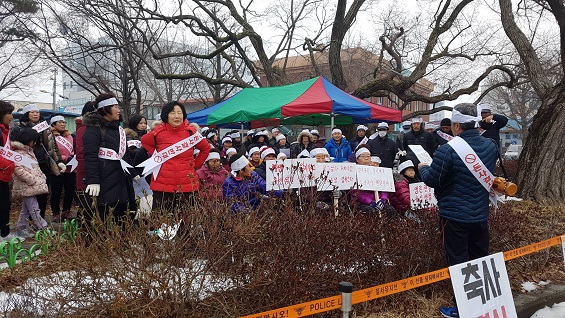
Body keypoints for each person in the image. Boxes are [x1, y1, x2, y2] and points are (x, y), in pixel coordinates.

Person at [418, 103, 498, 318]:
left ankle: (462, 308)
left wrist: (423, 168)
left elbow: (433, 180)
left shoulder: (448, 150)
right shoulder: (491, 145)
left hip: (454, 215)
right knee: (480, 257)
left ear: (456, 125)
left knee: (459, 262)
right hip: (480, 213)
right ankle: (484, 303)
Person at [141, 101, 211, 212]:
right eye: (173, 113)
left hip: (187, 184)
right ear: (166, 115)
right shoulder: (158, 132)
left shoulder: (191, 133)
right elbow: (144, 141)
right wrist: (158, 156)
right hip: (162, 185)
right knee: (162, 222)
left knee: (186, 222)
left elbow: (206, 148)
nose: (177, 116)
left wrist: (195, 165)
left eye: (180, 113)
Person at [83, 94, 135, 226]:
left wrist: (133, 173)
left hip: (121, 179)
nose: (119, 110)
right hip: (104, 180)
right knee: (104, 219)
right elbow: (90, 157)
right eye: (115, 107)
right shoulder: (93, 130)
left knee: (122, 217)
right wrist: (93, 180)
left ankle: (121, 244)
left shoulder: (119, 130)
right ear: (105, 109)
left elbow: (125, 154)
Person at [10, 104, 64, 219]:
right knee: (30, 196)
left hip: (43, 164)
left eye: (37, 112)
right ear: (26, 114)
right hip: (26, 165)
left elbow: (53, 146)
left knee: (42, 194)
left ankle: (40, 219)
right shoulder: (18, 129)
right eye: (32, 112)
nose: (35, 114)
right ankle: (30, 221)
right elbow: (12, 148)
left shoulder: (45, 128)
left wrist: (58, 161)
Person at [11, 128, 50, 238]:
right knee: (34, 209)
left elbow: (35, 167)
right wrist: (32, 180)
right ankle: (43, 227)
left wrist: (42, 177)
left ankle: (21, 228)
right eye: (34, 140)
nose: (35, 143)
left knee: (26, 209)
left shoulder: (29, 152)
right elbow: (18, 170)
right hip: (27, 185)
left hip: (31, 186)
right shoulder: (18, 153)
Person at [49, 115, 77, 221]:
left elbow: (74, 148)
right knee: (56, 191)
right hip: (57, 168)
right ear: (53, 124)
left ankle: (66, 210)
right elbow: (51, 151)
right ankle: (55, 212)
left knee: (69, 191)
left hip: (70, 167)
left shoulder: (70, 136)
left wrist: (72, 156)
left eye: (64, 122)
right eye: (59, 122)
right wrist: (64, 158)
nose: (62, 124)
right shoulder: (50, 136)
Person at [349, 146, 389, 214]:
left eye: (368, 156)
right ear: (357, 159)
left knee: (389, 210)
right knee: (371, 212)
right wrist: (370, 202)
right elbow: (355, 192)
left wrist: (383, 199)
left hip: (377, 199)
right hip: (361, 202)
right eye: (363, 156)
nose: (366, 158)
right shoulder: (353, 172)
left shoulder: (376, 171)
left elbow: (384, 187)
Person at [74, 102, 97, 212]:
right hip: (87, 170)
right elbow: (82, 153)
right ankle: (84, 227)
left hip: (89, 170)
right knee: (87, 202)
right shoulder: (84, 129)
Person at [0, 101, 17, 242]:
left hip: (4, 175)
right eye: (9, 113)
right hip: (1, 172)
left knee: (5, 205)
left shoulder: (5, 131)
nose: (11, 116)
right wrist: (6, 165)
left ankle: (4, 233)